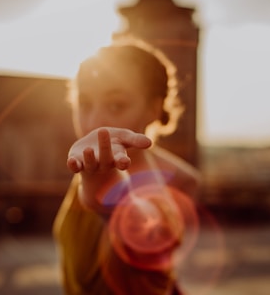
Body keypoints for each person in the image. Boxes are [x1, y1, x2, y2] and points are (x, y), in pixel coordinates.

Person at [53, 37, 201, 295]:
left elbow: (140, 227)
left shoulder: (175, 180)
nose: (95, 120)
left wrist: (104, 188)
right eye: (85, 104)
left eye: (116, 105)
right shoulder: (90, 161)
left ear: (154, 108)